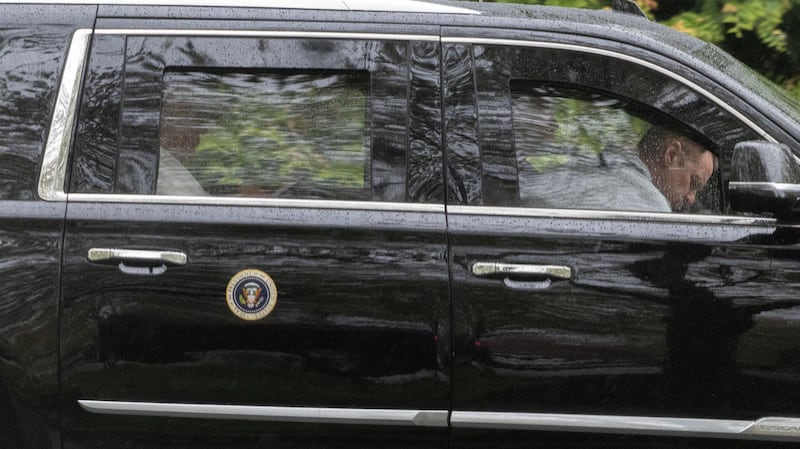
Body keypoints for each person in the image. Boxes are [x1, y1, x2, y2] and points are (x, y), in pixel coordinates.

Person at [517, 126, 717, 213]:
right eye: (694, 183)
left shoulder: (603, 166)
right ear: (672, 155)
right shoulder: (650, 206)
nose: (691, 197)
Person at [636, 127, 716, 212]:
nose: (691, 199)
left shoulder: (625, 175)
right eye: (693, 182)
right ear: (672, 155)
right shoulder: (652, 207)